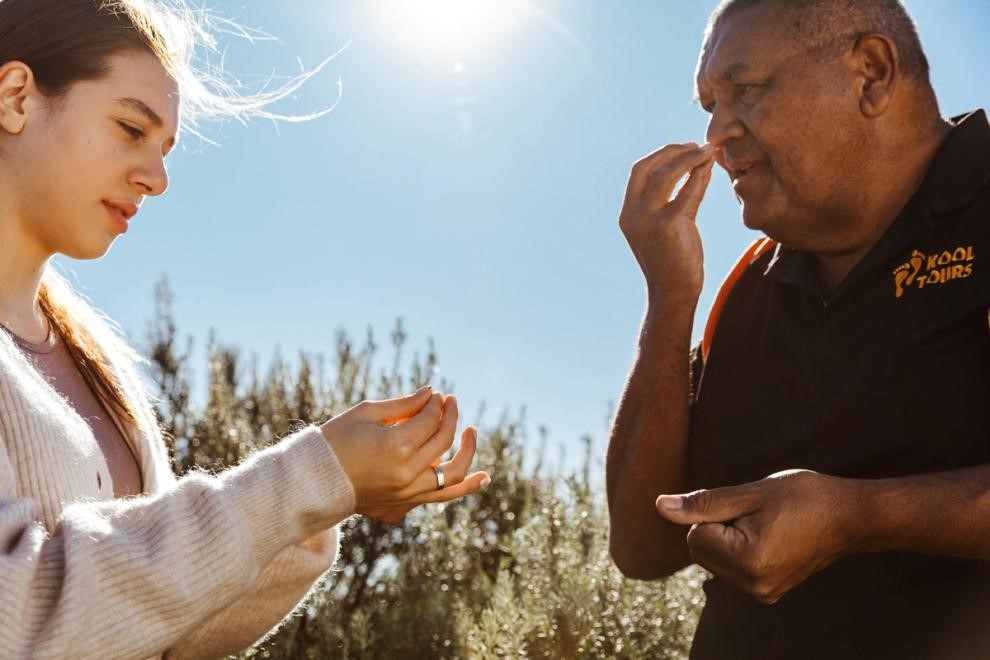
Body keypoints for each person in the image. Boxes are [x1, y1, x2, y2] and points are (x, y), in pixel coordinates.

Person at [0, 0, 490, 657]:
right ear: (15, 97)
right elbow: (21, 620)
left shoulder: (97, 360)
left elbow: (158, 629)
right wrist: (313, 475)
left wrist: (332, 495)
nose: (158, 178)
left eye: (166, 148)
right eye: (129, 127)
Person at [607, 0, 990, 657]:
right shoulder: (744, 289)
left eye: (745, 90)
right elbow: (643, 549)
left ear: (871, 73)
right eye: (708, 107)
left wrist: (860, 517)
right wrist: (670, 302)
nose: (716, 136)